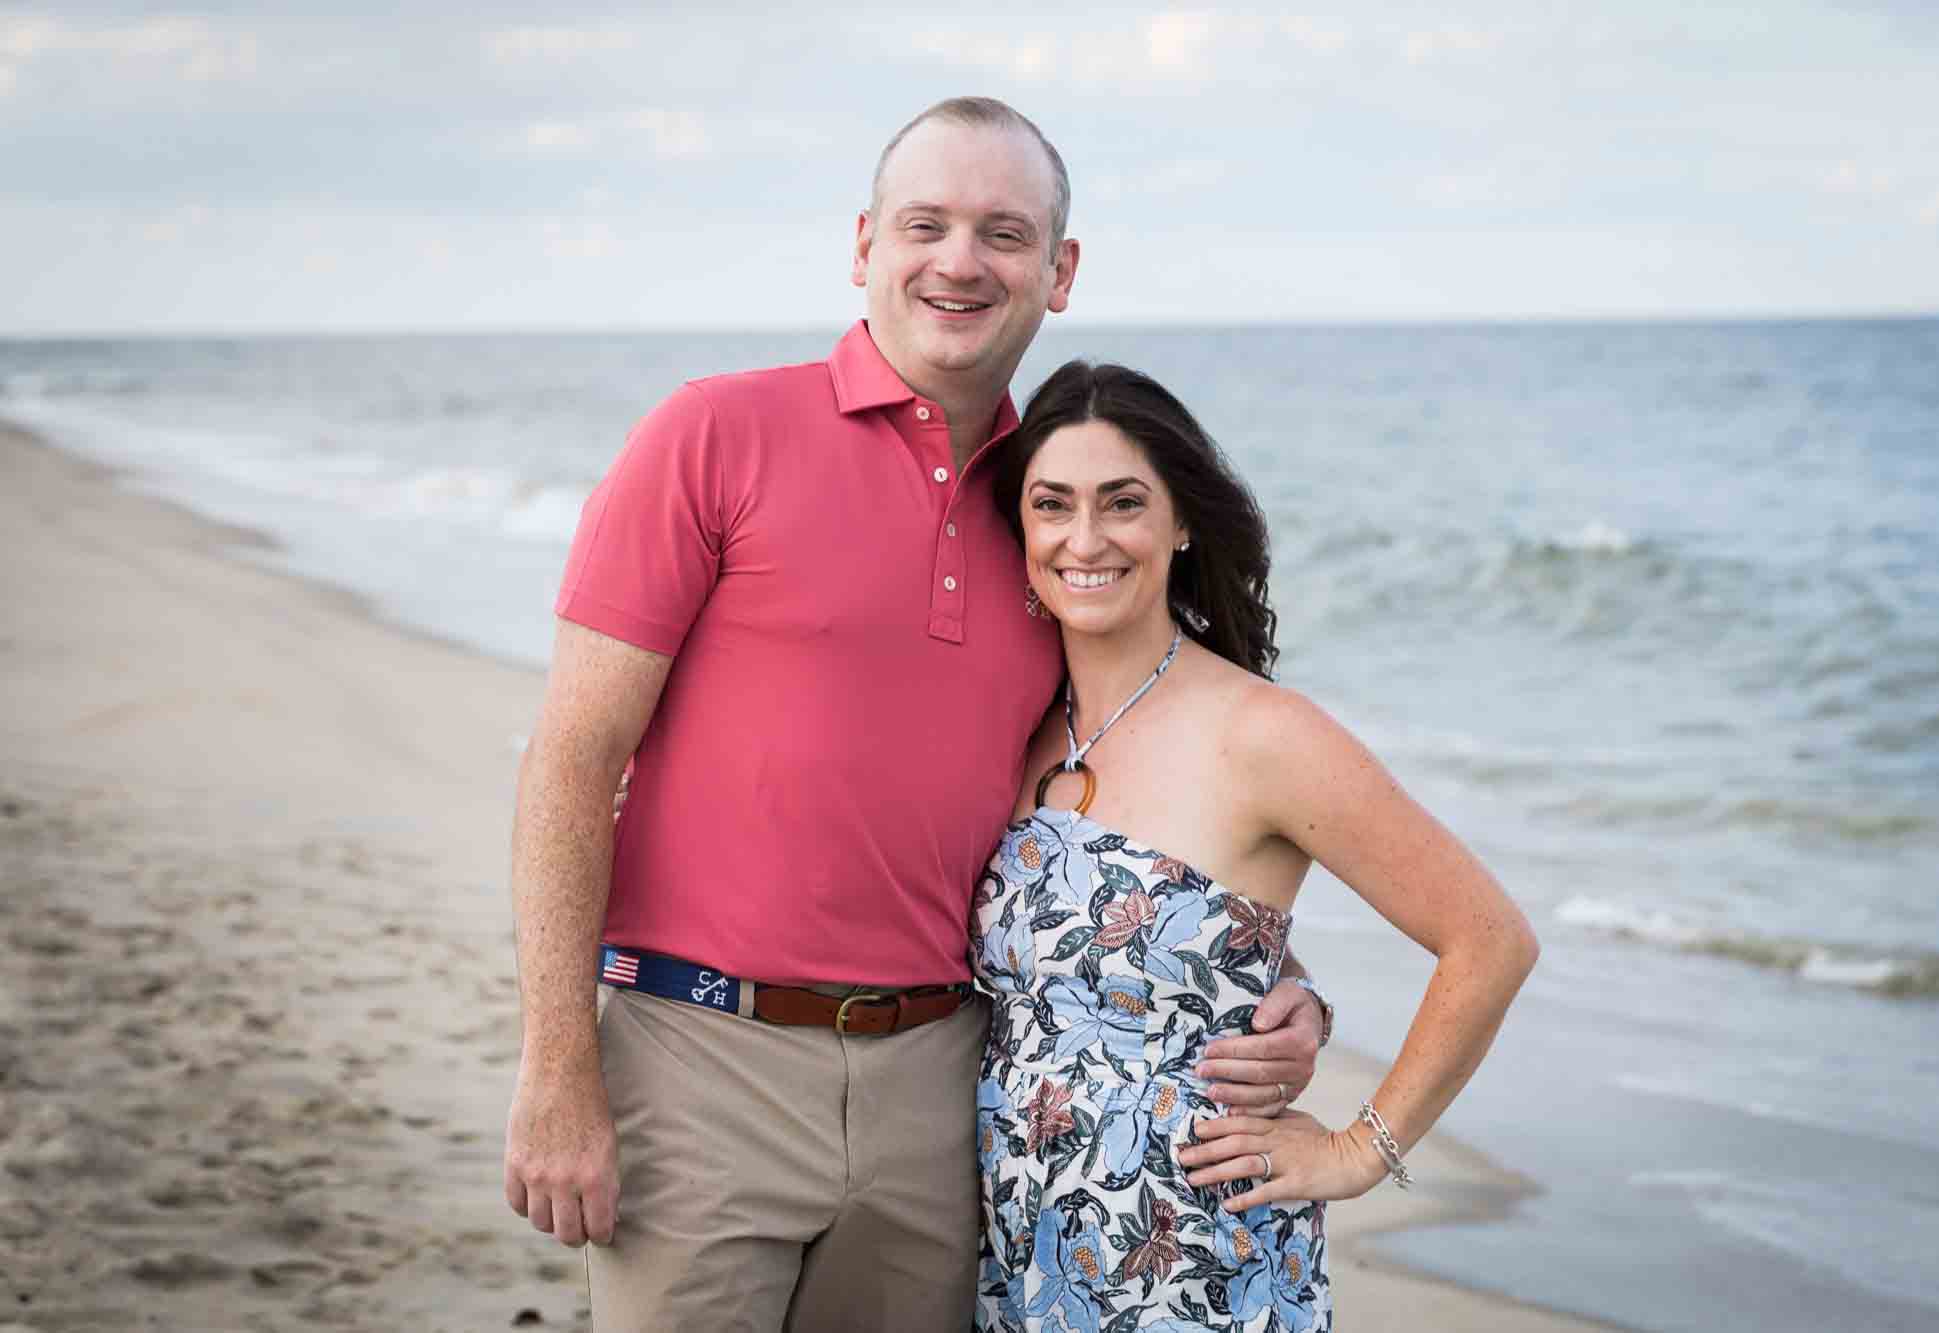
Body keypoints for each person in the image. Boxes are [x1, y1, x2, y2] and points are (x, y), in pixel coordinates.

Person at [503, 97, 1331, 1331]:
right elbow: (572, 760)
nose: (959, 260)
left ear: (1059, 271)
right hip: (696, 1057)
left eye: (1003, 232)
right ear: (862, 246)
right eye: (925, 224)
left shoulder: (1053, 513)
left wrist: (1263, 979)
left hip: (948, 1085)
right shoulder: (710, 434)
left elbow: (1118, 781)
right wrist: (558, 1070)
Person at [970, 361, 1540, 1330]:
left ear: (1181, 521)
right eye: (1051, 504)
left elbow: (1488, 939)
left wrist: (1360, 1149)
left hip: (1192, 1261)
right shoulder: (1017, 725)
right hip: (1019, 1250)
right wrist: (1297, 989)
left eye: (1122, 503)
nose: (1084, 538)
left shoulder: (1262, 733)